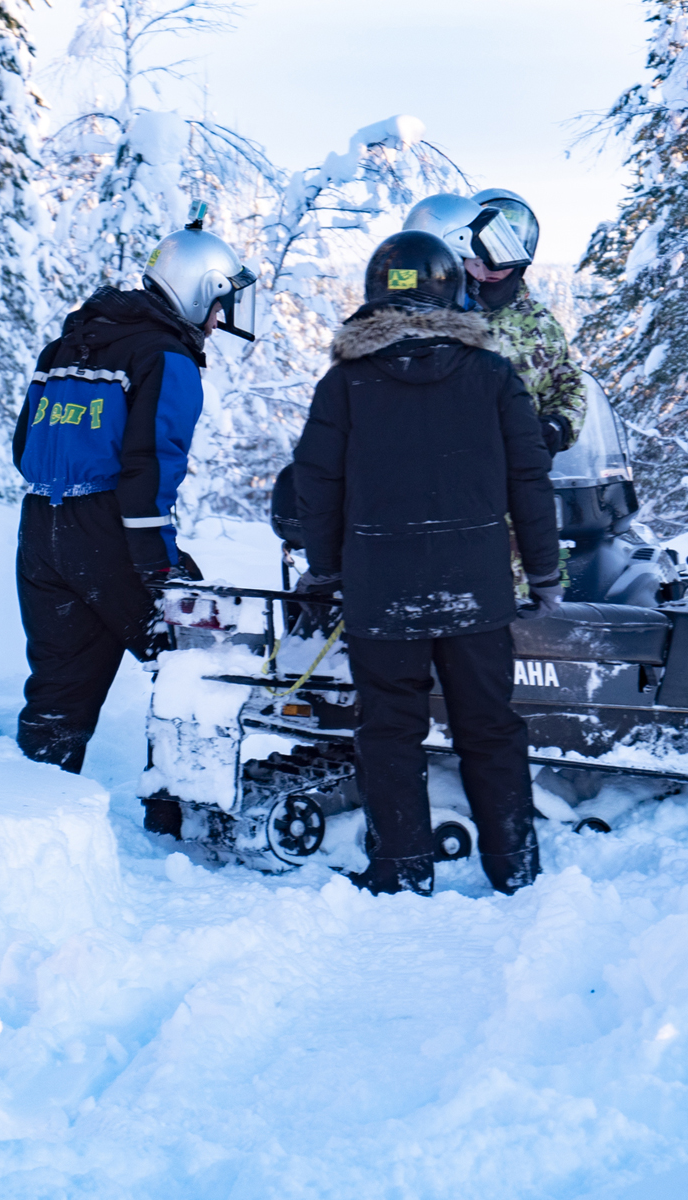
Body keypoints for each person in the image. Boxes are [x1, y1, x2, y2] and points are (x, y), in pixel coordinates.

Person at [291, 230, 561, 896]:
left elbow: (314, 484)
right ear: (451, 286)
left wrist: (324, 571)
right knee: (492, 730)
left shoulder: (346, 384)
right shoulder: (494, 376)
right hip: (477, 592)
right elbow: (529, 479)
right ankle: (515, 871)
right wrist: (546, 571)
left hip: (380, 595)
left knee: (388, 734)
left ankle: (400, 874)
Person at [13, 209, 256, 773]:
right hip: (113, 533)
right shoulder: (167, 359)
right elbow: (149, 467)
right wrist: (160, 568)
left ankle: (30, 802)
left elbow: (26, 446)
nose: (219, 322)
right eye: (220, 305)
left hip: (40, 531)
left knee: (60, 684)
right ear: (199, 292)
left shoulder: (64, 347)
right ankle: (185, 811)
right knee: (198, 656)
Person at [403, 192, 584, 453]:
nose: (493, 267)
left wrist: (558, 426)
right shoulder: (430, 313)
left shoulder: (540, 325)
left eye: (506, 252)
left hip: (516, 471)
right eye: (483, 253)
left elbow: (569, 385)